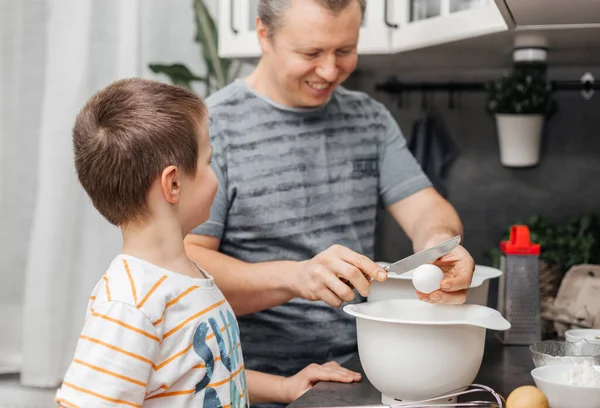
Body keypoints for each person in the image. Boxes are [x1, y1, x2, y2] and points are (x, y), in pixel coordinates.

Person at [184, 0, 476, 402]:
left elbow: (426, 208)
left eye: (345, 50)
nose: (328, 71)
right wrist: (296, 277)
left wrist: (438, 246)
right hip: (249, 383)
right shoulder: (210, 129)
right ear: (264, 35)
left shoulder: (368, 118)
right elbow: (187, 270)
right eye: (310, 53)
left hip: (355, 374)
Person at [54, 78, 361, 408]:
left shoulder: (187, 275)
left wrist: (284, 387)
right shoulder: (131, 303)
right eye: (208, 161)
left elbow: (204, 375)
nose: (216, 173)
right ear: (173, 184)